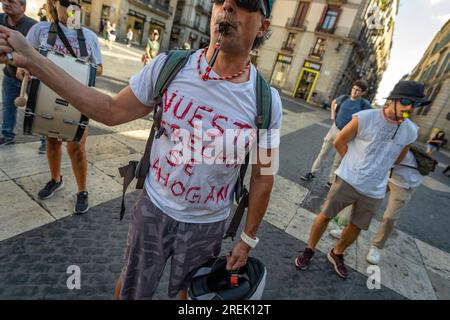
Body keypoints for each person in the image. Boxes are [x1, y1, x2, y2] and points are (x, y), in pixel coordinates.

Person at [0, 0, 281, 300]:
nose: (227, 6)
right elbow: (109, 109)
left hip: (207, 226)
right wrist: (32, 60)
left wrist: (248, 238)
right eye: (219, 0)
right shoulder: (170, 67)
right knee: (131, 290)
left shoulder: (266, 101)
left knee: (193, 295)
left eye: (243, 3)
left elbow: (263, 176)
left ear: (263, 25)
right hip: (153, 209)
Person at [294, 80, 427, 279]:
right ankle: (309, 250)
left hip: (375, 189)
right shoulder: (365, 118)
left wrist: (381, 168)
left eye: (413, 104)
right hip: (348, 180)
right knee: (325, 215)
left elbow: (400, 155)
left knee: (356, 226)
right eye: (406, 101)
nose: (409, 108)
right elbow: (340, 141)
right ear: (394, 100)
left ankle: (336, 253)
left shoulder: (411, 130)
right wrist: (353, 162)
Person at [18, 0, 103, 214]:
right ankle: (56, 179)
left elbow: (99, 68)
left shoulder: (90, 37)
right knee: (51, 140)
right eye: (66, 2)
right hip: (48, 95)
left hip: (78, 98)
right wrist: (24, 69)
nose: (71, 6)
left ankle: (82, 191)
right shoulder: (40, 29)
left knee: (77, 147)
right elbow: (25, 57)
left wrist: (78, 68)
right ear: (54, 3)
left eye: (77, 3)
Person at [329, 149, 423, 265]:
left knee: (390, 217)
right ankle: (346, 230)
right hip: (383, 175)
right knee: (358, 197)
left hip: (404, 181)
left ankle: (377, 246)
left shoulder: (407, 135)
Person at [301, 80, 371, 187]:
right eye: (354, 88)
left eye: (358, 90)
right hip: (335, 128)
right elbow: (334, 102)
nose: (354, 91)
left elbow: (370, 117)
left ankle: (331, 181)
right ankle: (312, 173)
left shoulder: (364, 104)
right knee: (322, 153)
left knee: (337, 160)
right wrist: (333, 115)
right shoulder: (344, 98)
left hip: (347, 136)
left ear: (362, 93)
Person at [0, 0, 36, 148]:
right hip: (9, 75)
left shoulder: (33, 26)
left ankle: (46, 141)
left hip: (30, 78)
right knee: (9, 106)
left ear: (23, 7)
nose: (7, 4)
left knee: (37, 109)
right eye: (5, 1)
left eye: (12, 1)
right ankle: (7, 134)